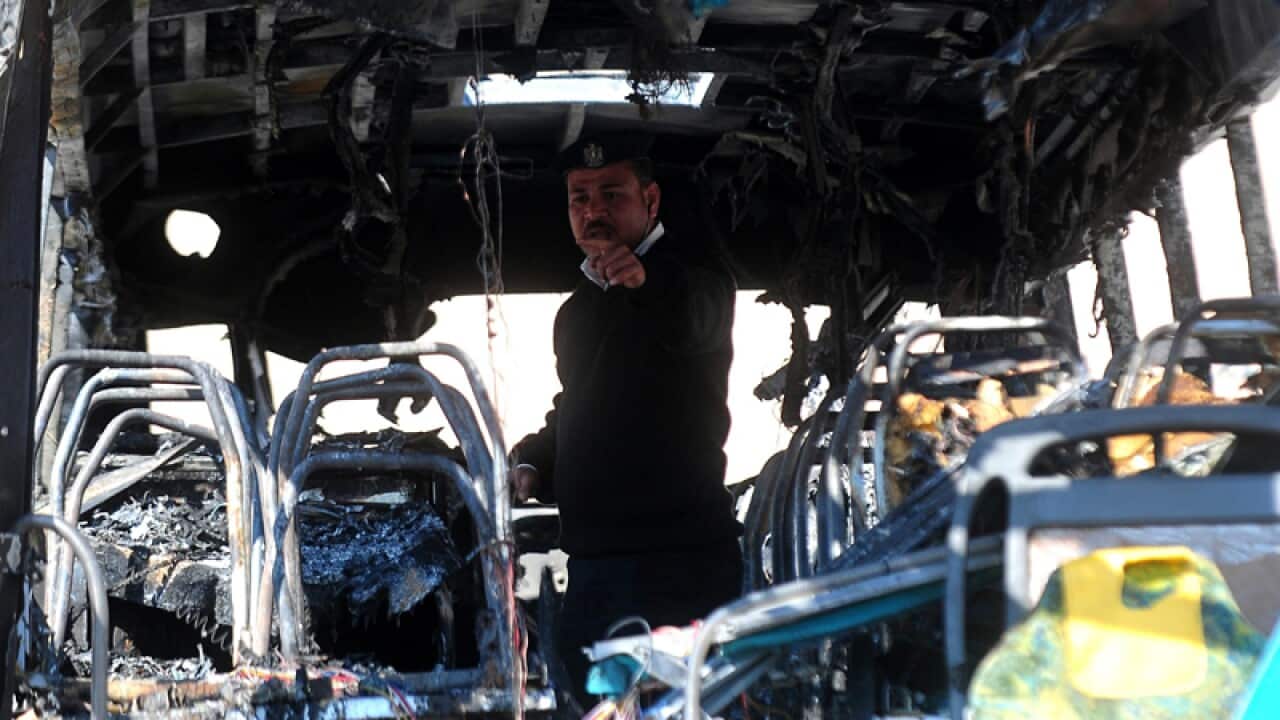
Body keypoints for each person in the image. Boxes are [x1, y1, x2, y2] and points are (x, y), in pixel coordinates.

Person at [510, 134, 743, 702]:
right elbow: (581, 402)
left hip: (682, 565)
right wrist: (535, 459)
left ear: (652, 202)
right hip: (595, 567)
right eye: (580, 199)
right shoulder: (576, 311)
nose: (593, 212)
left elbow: (695, 318)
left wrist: (645, 281)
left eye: (612, 195)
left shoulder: (693, 281)